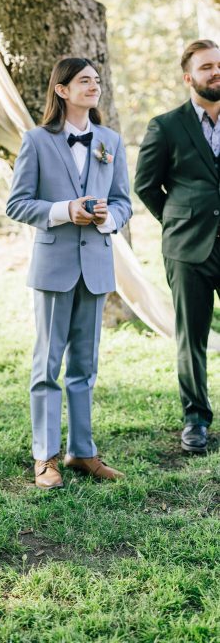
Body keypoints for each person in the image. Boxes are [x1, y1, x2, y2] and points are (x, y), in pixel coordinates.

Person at [6, 57, 132, 489]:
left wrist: (105, 218)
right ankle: (45, 457)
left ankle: (83, 451)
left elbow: (123, 202)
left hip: (95, 266)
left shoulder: (110, 140)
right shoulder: (37, 141)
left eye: (97, 80)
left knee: (85, 365)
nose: (94, 86)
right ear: (61, 90)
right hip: (54, 269)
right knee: (47, 365)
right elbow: (17, 203)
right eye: (84, 80)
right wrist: (64, 211)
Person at [135, 39, 220, 455]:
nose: (216, 72)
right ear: (189, 77)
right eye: (206, 67)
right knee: (192, 338)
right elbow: (146, 186)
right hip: (189, 249)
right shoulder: (166, 126)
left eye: (219, 65)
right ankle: (195, 420)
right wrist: (178, 220)